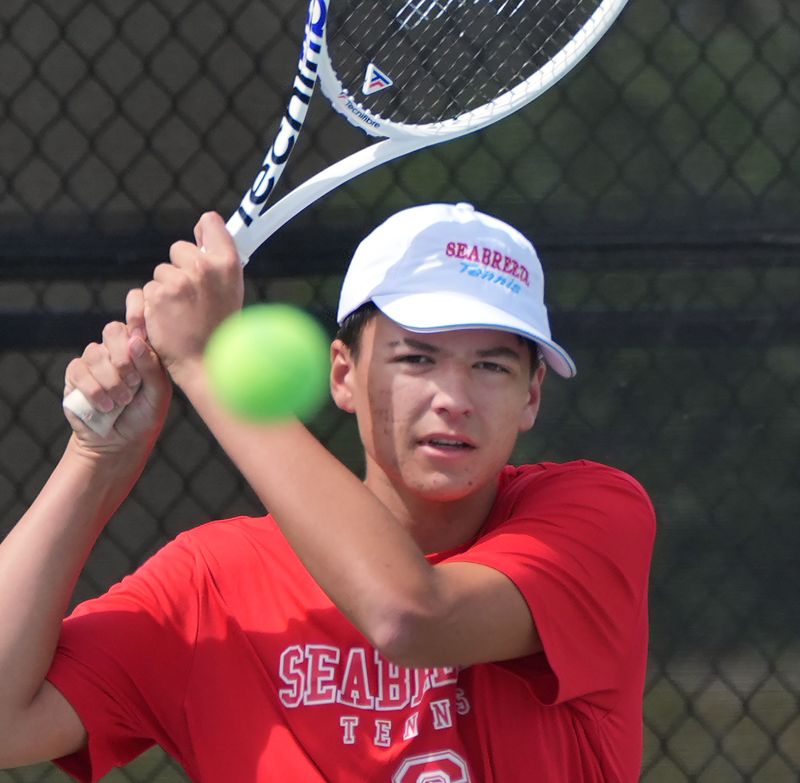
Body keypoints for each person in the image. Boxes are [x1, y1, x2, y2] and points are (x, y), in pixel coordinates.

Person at [0, 203, 655, 782]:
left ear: (531, 395)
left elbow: (408, 614)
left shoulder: (593, 517)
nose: (453, 400)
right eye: (416, 358)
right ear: (344, 374)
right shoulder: (211, 583)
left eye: (490, 365)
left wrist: (207, 362)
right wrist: (97, 458)